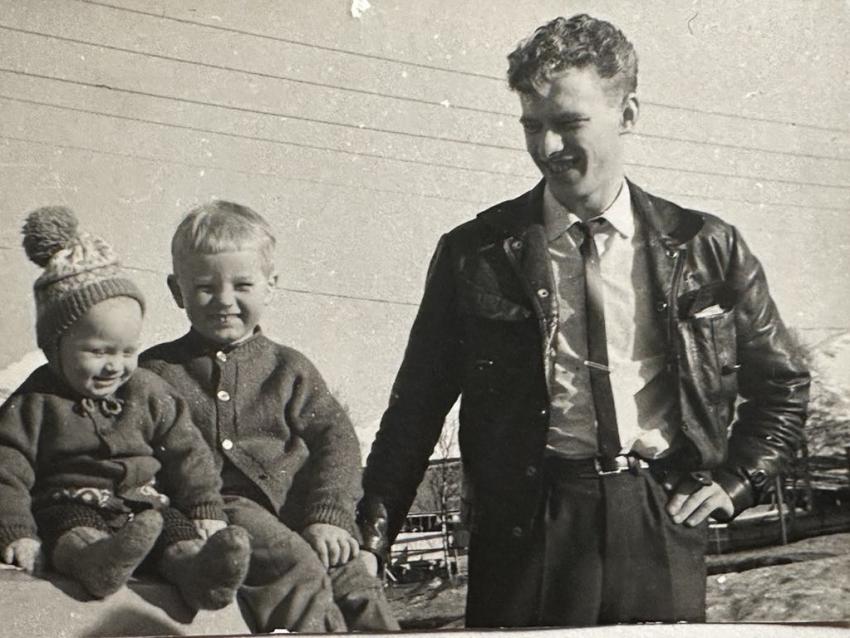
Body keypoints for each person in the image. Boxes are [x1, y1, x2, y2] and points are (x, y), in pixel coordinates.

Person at [357, 14, 810, 627]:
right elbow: (415, 408)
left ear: (627, 114)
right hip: (524, 527)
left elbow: (782, 383)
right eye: (532, 126)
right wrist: (373, 537)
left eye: (569, 123)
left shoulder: (706, 245)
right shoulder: (475, 253)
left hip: (659, 518)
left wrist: (737, 483)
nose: (547, 148)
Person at [140, 201, 399, 633]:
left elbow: (336, 441)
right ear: (176, 290)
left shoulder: (289, 368)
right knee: (293, 568)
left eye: (242, 284)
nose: (224, 300)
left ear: (270, 286)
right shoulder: (157, 372)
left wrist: (328, 515)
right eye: (204, 286)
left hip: (301, 510)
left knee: (355, 579)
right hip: (222, 511)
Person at [0, 207, 251, 611]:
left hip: (144, 505)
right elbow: (6, 470)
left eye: (127, 351)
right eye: (98, 352)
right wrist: (16, 531)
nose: (115, 366)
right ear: (55, 346)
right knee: (70, 528)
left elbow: (189, 454)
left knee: (172, 529)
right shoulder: (35, 401)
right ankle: (94, 561)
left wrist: (205, 508)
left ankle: (198, 572)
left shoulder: (149, 391)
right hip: (69, 502)